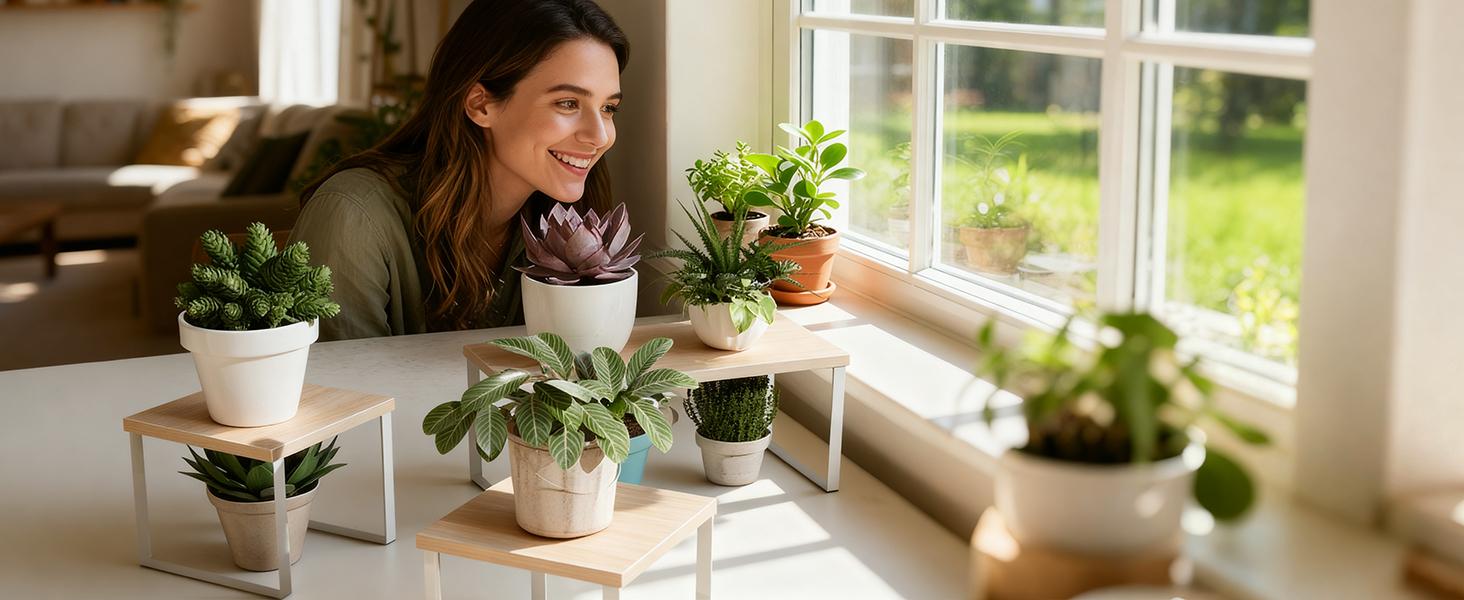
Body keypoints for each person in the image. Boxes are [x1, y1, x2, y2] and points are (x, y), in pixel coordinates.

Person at [291, 0, 627, 341]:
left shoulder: (566, 222)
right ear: (481, 105)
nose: (599, 136)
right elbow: (348, 389)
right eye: (568, 103)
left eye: (608, 108)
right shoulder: (352, 215)